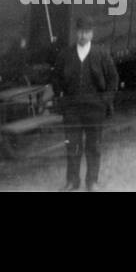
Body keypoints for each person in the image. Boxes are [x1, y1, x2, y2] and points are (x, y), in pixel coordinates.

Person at [53, 16, 119, 192]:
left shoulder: (101, 54)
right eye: (80, 32)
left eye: (87, 32)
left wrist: (105, 100)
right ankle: (72, 181)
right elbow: (56, 79)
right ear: (76, 33)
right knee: (72, 146)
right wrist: (62, 100)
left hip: (94, 110)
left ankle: (92, 182)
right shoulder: (65, 55)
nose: (83, 35)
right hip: (72, 110)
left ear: (92, 33)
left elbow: (113, 78)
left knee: (93, 146)